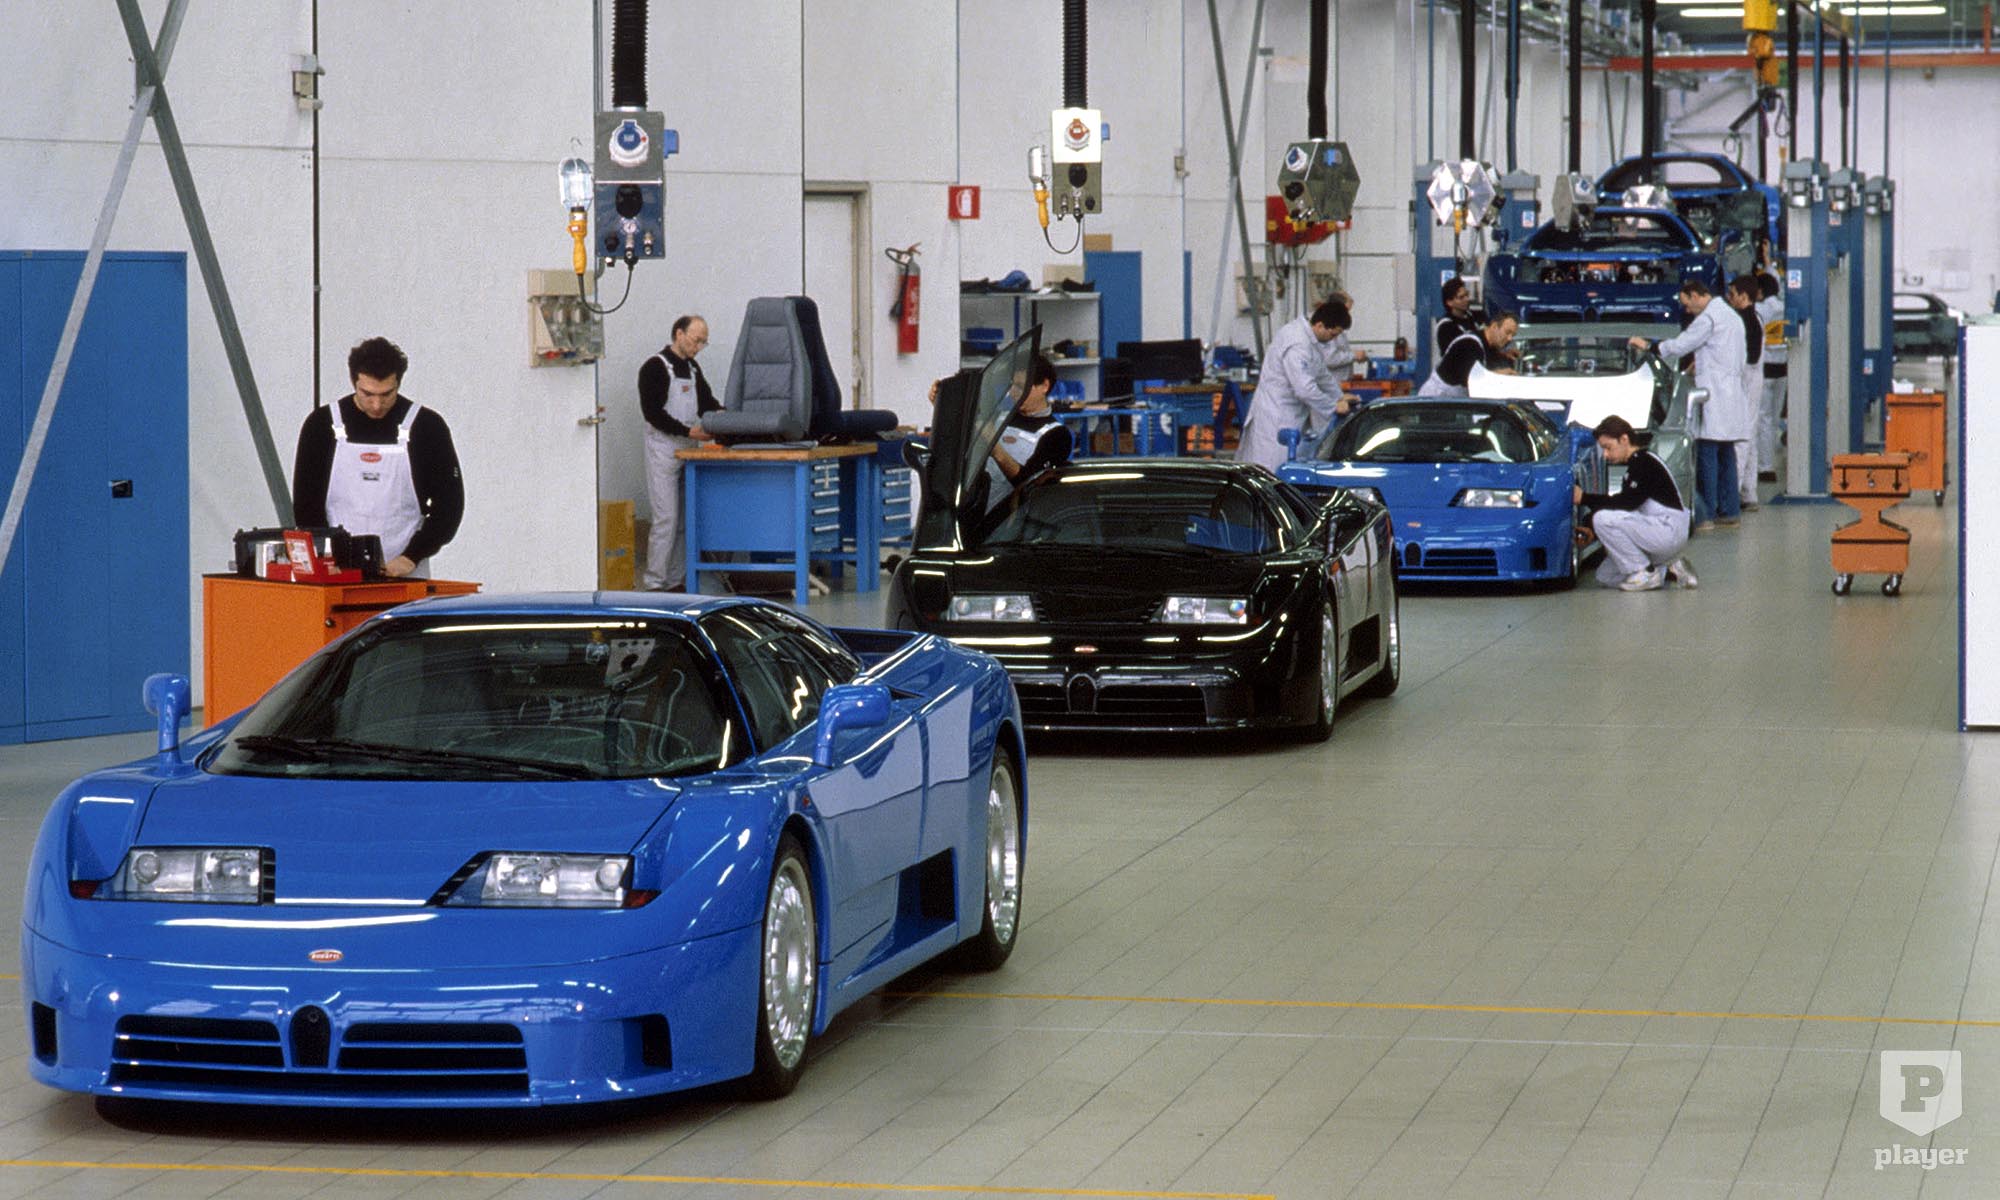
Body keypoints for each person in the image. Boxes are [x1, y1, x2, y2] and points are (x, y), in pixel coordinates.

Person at [292, 336, 463, 578]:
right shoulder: (321, 425)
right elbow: (306, 503)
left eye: (386, 394)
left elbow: (450, 505)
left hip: (406, 570)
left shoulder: (427, 426)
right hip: (337, 571)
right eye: (367, 394)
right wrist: (326, 554)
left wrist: (411, 556)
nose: (376, 405)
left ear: (398, 383)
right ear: (354, 381)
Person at [1629, 279, 1748, 533]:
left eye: (1686, 304)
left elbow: (1682, 344)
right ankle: (1730, 511)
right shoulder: (1731, 316)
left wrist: (1650, 346)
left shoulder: (1709, 318)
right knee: (1726, 454)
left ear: (1695, 295)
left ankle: (1706, 514)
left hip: (1715, 394)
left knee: (1707, 454)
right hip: (1730, 393)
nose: (1686, 310)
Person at [638, 315, 721, 591]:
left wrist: (726, 416)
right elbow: (653, 414)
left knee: (686, 518)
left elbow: (706, 403)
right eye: (696, 341)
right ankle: (654, 582)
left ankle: (675, 580)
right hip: (664, 449)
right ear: (679, 334)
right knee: (666, 519)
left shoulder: (693, 369)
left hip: (689, 451)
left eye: (703, 343)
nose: (698, 347)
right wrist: (688, 432)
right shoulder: (654, 367)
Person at [1574, 414, 1696, 591]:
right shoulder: (1635, 466)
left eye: (1608, 448)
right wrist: (1589, 526)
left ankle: (1644, 572)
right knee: (1605, 576)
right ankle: (1670, 571)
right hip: (1657, 531)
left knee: (1602, 519)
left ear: (1624, 439)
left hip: (1667, 530)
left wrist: (1584, 498)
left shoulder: (1644, 463)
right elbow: (1623, 506)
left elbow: (1626, 503)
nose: (1606, 455)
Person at [1236, 298, 1355, 473]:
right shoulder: (1297, 343)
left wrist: (1339, 396)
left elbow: (1321, 373)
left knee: (1288, 466)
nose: (1333, 340)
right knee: (1272, 470)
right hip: (1277, 416)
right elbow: (1304, 389)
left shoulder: (1310, 340)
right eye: (1333, 335)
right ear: (1320, 326)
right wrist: (1333, 406)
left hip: (1291, 414)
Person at [983, 354, 1073, 511]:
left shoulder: (1057, 435)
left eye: (1020, 386)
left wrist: (997, 450)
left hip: (1015, 520)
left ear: (1044, 386)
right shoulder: (999, 418)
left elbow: (1031, 486)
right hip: (978, 513)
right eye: (1012, 386)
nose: (1013, 392)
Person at [1724, 277, 1764, 511]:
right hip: (1750, 383)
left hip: (1747, 383)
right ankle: (1749, 493)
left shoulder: (1747, 321)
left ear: (1743, 296)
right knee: (1750, 438)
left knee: (1741, 439)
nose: (1729, 299)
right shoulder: (1753, 318)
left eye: (1732, 294)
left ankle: (1731, 497)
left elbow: (1751, 358)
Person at [1420, 311, 1518, 398]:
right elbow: (1472, 379)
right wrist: (1499, 375)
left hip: (1453, 399)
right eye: (1507, 332)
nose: (1509, 338)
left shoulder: (1489, 346)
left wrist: (1504, 356)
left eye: (1512, 335)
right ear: (1494, 326)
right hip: (1436, 398)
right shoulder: (1470, 343)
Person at [1754, 272, 1786, 483]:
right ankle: (1769, 461)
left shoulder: (1759, 309)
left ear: (1760, 291)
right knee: (1774, 419)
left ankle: (1765, 466)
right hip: (1782, 368)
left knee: (1763, 419)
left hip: (1764, 369)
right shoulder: (1783, 308)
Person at [1318, 294, 1366, 383]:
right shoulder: (1327, 328)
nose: (1348, 314)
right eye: (1346, 310)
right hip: (1332, 383)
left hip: (1341, 383)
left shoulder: (1337, 328)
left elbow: (1339, 351)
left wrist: (1356, 355)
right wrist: (1354, 355)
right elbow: (1329, 358)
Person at [1435, 276, 1477, 353]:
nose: (1466, 299)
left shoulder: (1474, 317)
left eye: (1467, 295)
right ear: (1449, 302)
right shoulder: (1446, 327)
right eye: (1461, 297)